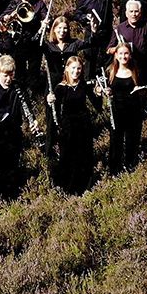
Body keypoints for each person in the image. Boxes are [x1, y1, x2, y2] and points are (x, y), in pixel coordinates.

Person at [0, 55, 40, 200]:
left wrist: (33, 120)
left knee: (13, 164)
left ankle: (12, 195)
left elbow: (27, 107)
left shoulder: (18, 88)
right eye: (5, 75)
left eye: (11, 74)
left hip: (14, 132)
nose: (8, 79)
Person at [47, 56, 98, 194]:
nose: (76, 71)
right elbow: (54, 111)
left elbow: (96, 104)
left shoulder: (84, 85)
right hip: (68, 127)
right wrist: (49, 100)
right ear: (67, 69)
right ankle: (68, 188)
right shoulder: (60, 88)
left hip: (84, 125)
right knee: (68, 156)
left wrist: (99, 93)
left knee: (84, 156)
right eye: (73, 68)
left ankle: (85, 186)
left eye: (79, 68)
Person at [97, 44, 147, 175]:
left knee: (133, 140)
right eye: (120, 53)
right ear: (116, 55)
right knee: (116, 140)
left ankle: (131, 167)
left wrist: (140, 91)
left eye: (126, 53)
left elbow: (144, 88)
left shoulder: (136, 70)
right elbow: (98, 88)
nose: (123, 56)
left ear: (130, 55)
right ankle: (114, 170)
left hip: (134, 111)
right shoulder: (110, 71)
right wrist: (103, 91)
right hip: (117, 112)